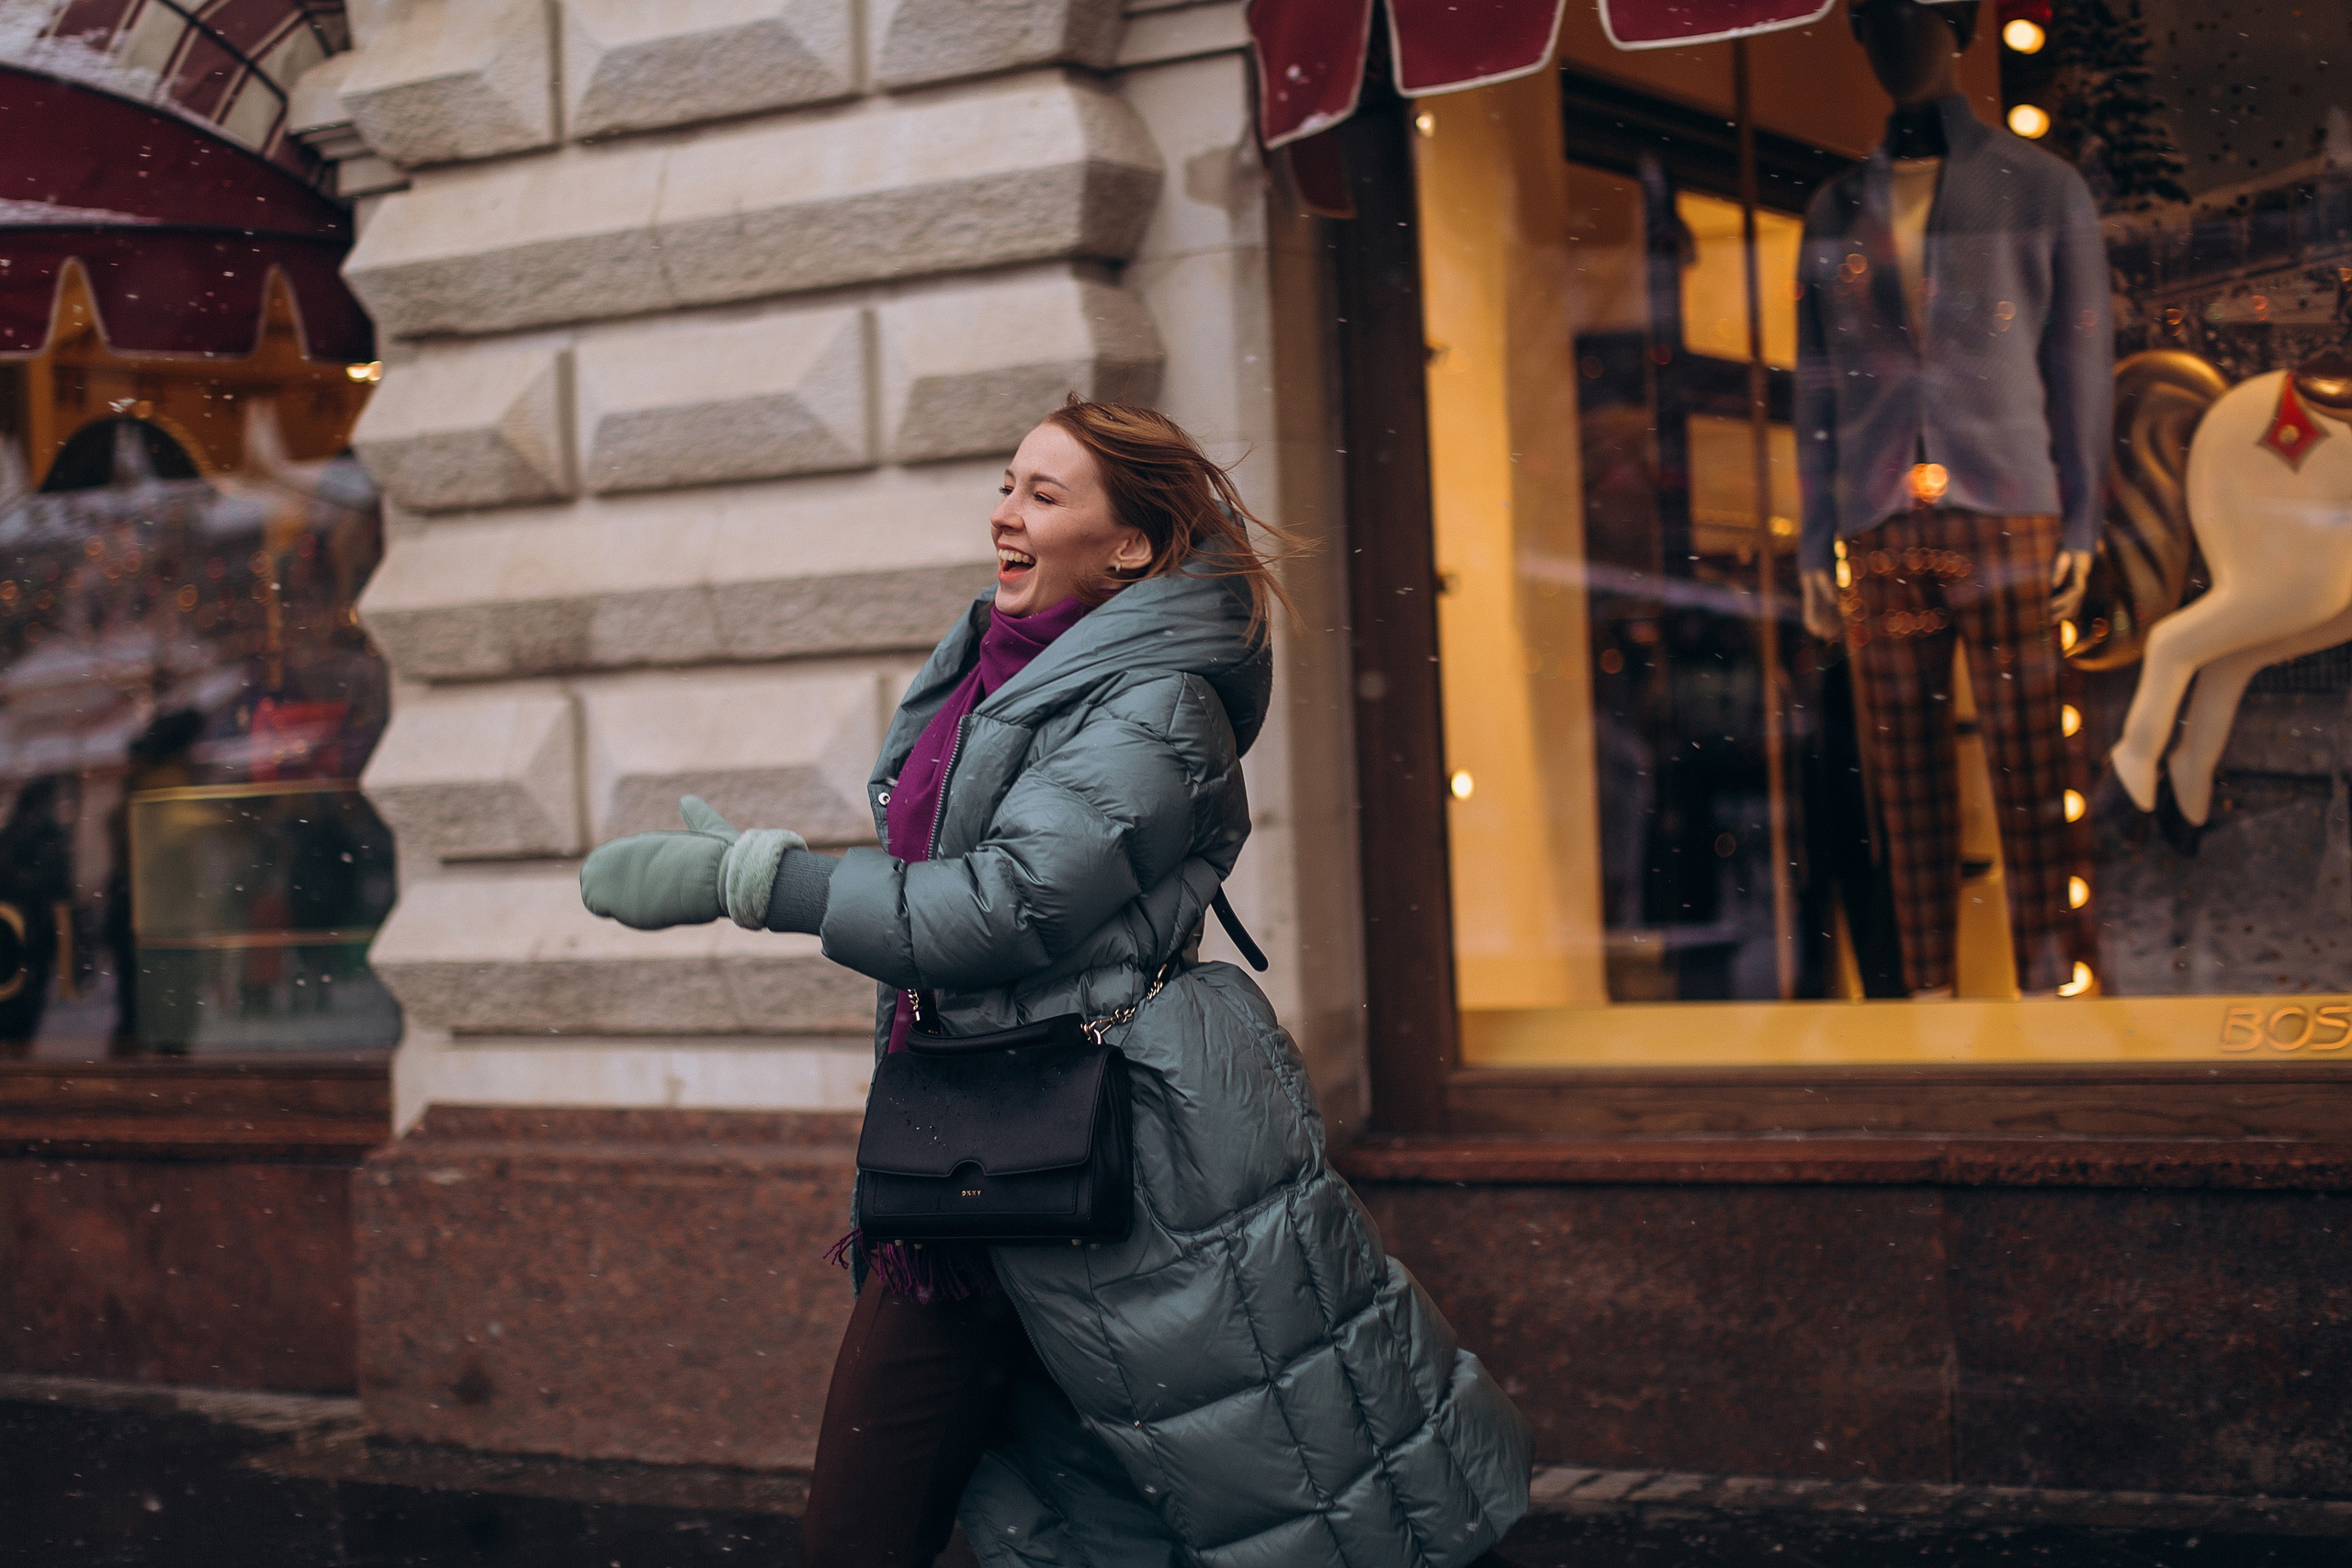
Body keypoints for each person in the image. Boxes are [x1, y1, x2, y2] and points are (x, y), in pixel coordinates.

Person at [582, 399, 1532, 1567]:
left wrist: (762, 882)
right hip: (975, 1147)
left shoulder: (1157, 704)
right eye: (1005, 485)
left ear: (1128, 545)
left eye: (1044, 494)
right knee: (1054, 1510)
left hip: (1106, 1152)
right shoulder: (997, 667)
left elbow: (1007, 906)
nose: (1005, 515)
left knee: (1295, 1479)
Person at [1793, 0, 2108, 998]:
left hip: (2008, 503)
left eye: (1917, 17)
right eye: (1875, 21)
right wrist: (1814, 541)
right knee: (1904, 776)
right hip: (1879, 516)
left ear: (1960, 27)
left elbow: (2080, 366)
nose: (1897, 40)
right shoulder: (1836, 209)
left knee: (2029, 761)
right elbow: (1817, 390)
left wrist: (2082, 517)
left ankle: (2049, 987)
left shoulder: (2040, 187)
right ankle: (1926, 995)